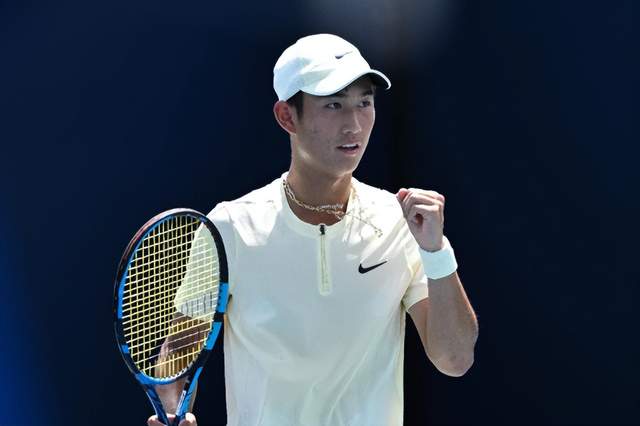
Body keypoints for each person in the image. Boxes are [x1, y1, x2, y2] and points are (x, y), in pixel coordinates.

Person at [149, 33, 479, 426]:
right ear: (287, 116)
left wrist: (437, 253)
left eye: (364, 103)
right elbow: (180, 350)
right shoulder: (230, 227)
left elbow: (455, 359)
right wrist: (174, 411)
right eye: (334, 105)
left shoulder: (400, 224)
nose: (354, 124)